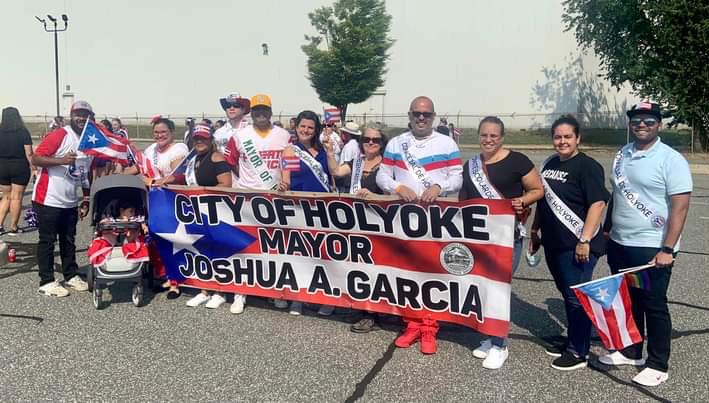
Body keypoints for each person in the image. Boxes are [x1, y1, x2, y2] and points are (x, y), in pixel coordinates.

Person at [599, 102, 692, 387]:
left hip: (652, 247)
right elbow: (618, 195)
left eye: (649, 121)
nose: (642, 125)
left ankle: (658, 364)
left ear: (658, 125)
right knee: (629, 300)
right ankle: (632, 351)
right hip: (620, 242)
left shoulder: (671, 159)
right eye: (637, 120)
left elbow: (680, 207)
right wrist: (607, 230)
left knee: (653, 304)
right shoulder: (622, 154)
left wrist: (667, 249)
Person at [376, 96, 463, 354]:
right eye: (416, 114)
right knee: (407, 274)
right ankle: (411, 324)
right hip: (403, 220)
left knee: (432, 274)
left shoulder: (447, 143)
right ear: (410, 115)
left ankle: (429, 327)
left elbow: (457, 177)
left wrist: (439, 186)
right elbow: (382, 175)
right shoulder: (396, 143)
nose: (421, 118)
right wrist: (397, 187)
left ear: (433, 116)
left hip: (435, 220)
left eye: (426, 114)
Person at [459, 115, 544, 369]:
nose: (488, 140)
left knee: (498, 289)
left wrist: (523, 201)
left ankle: (500, 344)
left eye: (493, 135)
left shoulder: (517, 161)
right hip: (479, 238)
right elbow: (464, 198)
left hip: (507, 237)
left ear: (502, 137)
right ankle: (489, 337)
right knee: (483, 288)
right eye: (484, 135)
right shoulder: (471, 165)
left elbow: (537, 189)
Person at [528, 114, 609, 371]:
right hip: (554, 242)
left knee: (577, 297)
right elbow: (543, 200)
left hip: (577, 244)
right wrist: (535, 230)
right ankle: (574, 339)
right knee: (568, 294)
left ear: (577, 139)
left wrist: (584, 240)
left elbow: (597, 204)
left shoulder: (588, 166)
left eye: (567, 137)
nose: (562, 141)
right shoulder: (550, 162)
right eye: (557, 137)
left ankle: (578, 352)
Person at [224, 93, 291, 313]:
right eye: (256, 110)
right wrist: (246, 181)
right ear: (251, 112)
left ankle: (274, 292)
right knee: (244, 247)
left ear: (270, 112)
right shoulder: (239, 136)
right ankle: (240, 293)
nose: (261, 113)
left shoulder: (284, 135)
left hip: (274, 199)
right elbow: (230, 162)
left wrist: (285, 180)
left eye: (264, 109)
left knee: (273, 248)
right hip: (247, 199)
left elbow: (290, 163)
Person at [155, 123, 234, 310]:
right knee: (201, 250)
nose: (199, 142)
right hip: (198, 212)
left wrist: (201, 192)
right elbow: (182, 177)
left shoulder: (216, 157)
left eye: (203, 139)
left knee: (216, 251)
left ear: (210, 140)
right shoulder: (194, 159)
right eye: (196, 139)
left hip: (215, 211)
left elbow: (226, 184)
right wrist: (165, 180)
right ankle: (204, 290)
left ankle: (220, 292)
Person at [324, 122, 386, 332]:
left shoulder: (388, 165)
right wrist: (330, 152)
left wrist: (375, 197)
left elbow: (396, 192)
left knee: (377, 269)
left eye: (375, 140)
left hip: (380, 225)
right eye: (366, 139)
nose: (371, 143)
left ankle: (374, 313)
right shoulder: (355, 162)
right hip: (357, 225)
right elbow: (336, 171)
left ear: (382, 143)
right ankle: (363, 309)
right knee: (359, 267)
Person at [31, 100, 94, 297]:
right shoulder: (61, 135)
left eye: (85, 115)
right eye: (78, 114)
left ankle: (70, 274)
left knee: (69, 240)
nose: (81, 118)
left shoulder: (89, 141)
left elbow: (85, 172)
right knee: (48, 241)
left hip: (69, 200)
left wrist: (86, 198)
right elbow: (36, 158)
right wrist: (62, 160)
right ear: (71, 116)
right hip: (48, 198)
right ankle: (46, 281)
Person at [125, 116, 188, 298]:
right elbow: (139, 168)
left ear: (171, 132)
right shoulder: (151, 149)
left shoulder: (178, 149)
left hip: (171, 200)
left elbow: (178, 176)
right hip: (153, 200)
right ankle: (164, 275)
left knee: (172, 240)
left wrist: (151, 181)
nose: (160, 135)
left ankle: (176, 282)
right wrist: (119, 172)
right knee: (155, 238)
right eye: (156, 132)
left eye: (163, 132)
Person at [278, 110, 333, 315]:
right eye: (303, 126)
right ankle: (298, 298)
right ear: (296, 127)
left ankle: (327, 298)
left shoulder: (323, 150)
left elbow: (333, 175)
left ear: (316, 129)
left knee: (324, 256)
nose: (306, 130)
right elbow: (287, 179)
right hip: (300, 209)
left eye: (310, 127)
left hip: (323, 209)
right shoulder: (291, 151)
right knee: (301, 255)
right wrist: (283, 186)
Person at [0, 107, 34, 235]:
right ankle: (13, 227)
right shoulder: (22, 132)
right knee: (16, 197)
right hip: (19, 166)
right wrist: (34, 168)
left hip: (2, 166)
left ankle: (0, 224)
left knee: (6, 197)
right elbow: (29, 153)